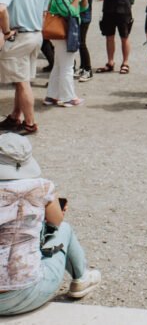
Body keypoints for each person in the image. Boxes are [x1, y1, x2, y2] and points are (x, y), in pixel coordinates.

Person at [0, 134, 101, 315]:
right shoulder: (42, 187)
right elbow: (56, 222)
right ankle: (82, 278)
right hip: (26, 294)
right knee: (65, 229)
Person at [0, 0, 49, 135]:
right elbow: (44, 13)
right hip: (36, 34)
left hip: (19, 35)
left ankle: (30, 123)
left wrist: (6, 32)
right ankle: (15, 116)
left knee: (21, 82)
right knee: (23, 79)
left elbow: (1, 8)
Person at [43, 0, 88, 108]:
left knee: (58, 65)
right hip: (63, 33)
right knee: (68, 66)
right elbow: (70, 12)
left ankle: (52, 96)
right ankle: (68, 97)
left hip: (65, 33)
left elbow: (83, 8)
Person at [73, 0, 95, 82]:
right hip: (78, 13)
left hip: (85, 15)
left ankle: (88, 69)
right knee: (78, 41)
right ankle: (82, 67)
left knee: (82, 42)